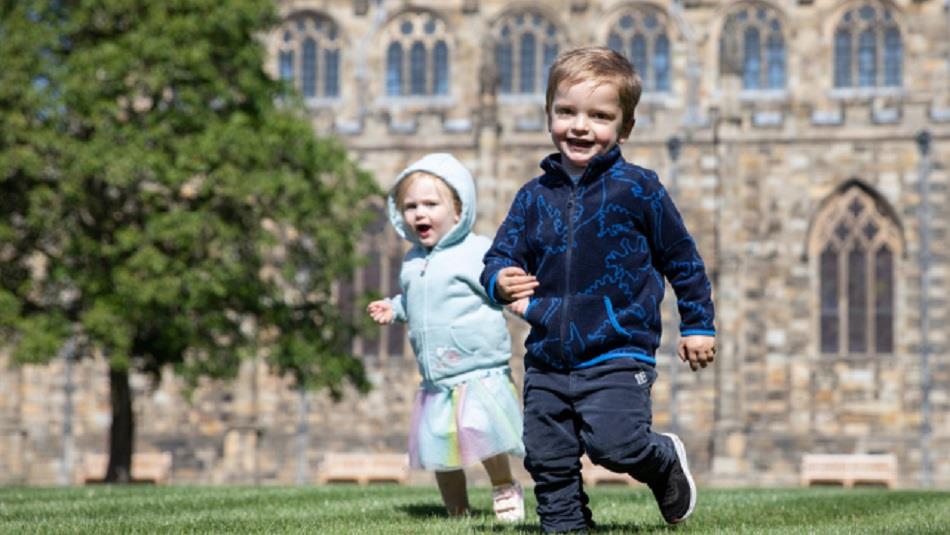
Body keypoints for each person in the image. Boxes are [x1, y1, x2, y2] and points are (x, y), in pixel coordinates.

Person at [479, 47, 716, 533]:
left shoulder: (639, 189)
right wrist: (499, 281)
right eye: (567, 112)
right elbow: (499, 259)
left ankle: (663, 460)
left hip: (617, 349)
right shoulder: (532, 197)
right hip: (546, 353)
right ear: (549, 115)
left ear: (625, 128)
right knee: (547, 458)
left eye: (600, 116)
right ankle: (567, 526)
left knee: (617, 444)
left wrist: (697, 324)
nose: (580, 126)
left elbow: (682, 259)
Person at [366, 153, 526, 522]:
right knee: (440, 447)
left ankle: (503, 485)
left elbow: (496, 285)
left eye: (430, 204)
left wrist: (512, 295)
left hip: (476, 367)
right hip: (437, 376)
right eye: (410, 206)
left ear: (458, 209)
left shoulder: (478, 251)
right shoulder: (411, 261)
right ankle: (457, 511)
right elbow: (417, 300)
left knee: (481, 429)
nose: (419, 213)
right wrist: (395, 308)